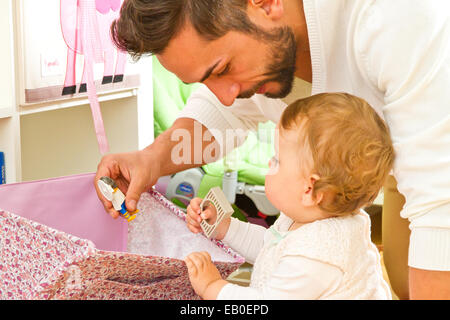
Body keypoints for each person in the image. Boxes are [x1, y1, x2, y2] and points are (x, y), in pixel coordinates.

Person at [95, 0, 450, 299]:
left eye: (223, 68)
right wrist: (151, 161)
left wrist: (217, 291)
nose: (226, 94)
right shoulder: (305, 225)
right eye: (206, 80)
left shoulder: (398, 19)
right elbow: (218, 113)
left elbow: (439, 210)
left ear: (266, 3)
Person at [184, 93, 394, 299]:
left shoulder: (317, 255)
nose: (269, 163)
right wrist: (225, 227)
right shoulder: (309, 218)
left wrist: (213, 287)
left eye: (277, 160)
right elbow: (270, 249)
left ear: (308, 190)